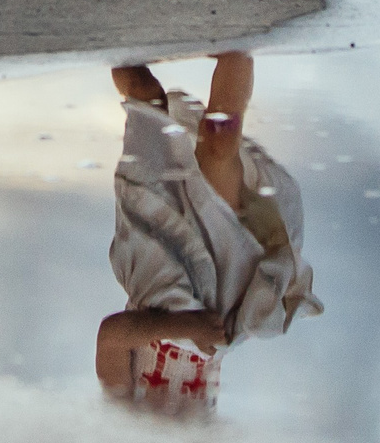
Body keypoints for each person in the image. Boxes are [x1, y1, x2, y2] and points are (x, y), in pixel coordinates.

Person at [97, 53, 321, 416]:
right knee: (219, 145)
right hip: (224, 278)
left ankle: (108, 14)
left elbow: (111, 337)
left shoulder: (122, 416)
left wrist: (182, 324)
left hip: (158, 258)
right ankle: (237, 35)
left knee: (145, 95)